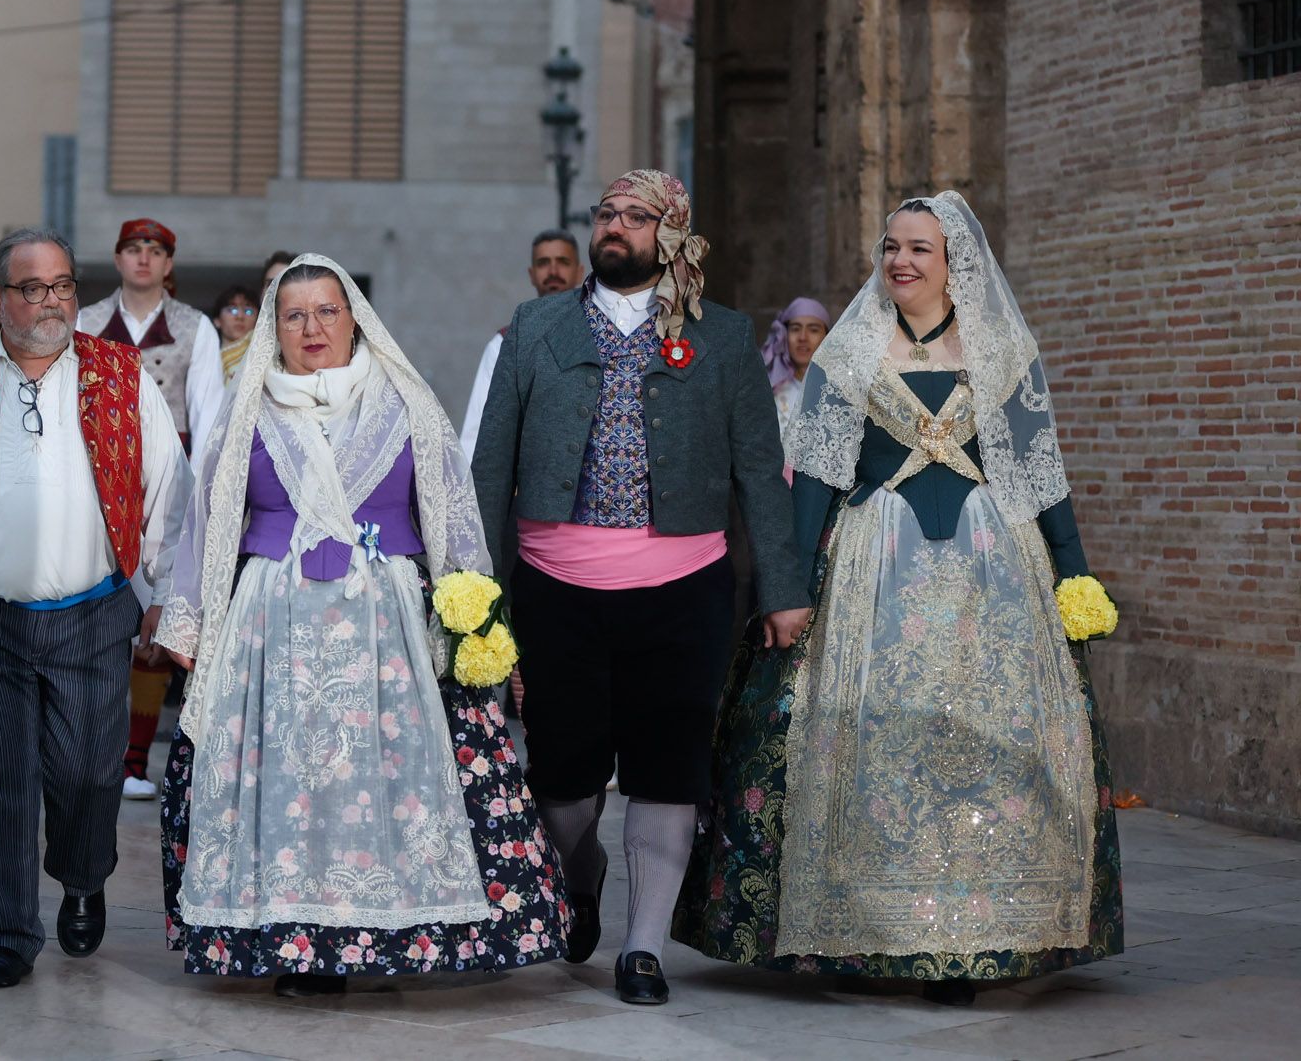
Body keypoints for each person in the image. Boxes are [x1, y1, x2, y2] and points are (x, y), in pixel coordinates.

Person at [674, 192, 1123, 1006]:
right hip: (873, 563)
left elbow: (1040, 477)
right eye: (890, 247)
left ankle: (974, 938)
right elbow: (813, 479)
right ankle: (873, 932)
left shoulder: (1002, 349)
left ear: (955, 261)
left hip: (993, 568)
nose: (901, 261)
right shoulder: (849, 352)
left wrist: (1075, 574)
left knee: (992, 741)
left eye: (919, 247)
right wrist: (789, 585)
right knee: (865, 741)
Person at [153, 255, 570, 995]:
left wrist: (475, 623)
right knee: (290, 783)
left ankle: (394, 932)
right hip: (271, 626)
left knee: (387, 779)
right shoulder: (248, 407)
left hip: (388, 629)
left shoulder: (405, 401)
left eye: (327, 311)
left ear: (355, 318)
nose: (311, 328)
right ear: (272, 328)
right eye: (293, 314)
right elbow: (209, 521)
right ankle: (297, 943)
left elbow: (451, 512)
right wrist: (187, 623)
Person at [470, 170, 809, 1007]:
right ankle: (578, 875)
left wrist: (783, 588)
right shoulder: (535, 327)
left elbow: (761, 474)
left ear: (674, 231)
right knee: (561, 780)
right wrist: (477, 589)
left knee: (669, 771)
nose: (614, 225)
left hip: (684, 589)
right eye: (606, 213)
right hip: (557, 587)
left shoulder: (723, 337)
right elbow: (489, 466)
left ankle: (644, 945)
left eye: (635, 215)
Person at [0, 228, 188, 989]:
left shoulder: (121, 374)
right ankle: (5, 933)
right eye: (32, 287)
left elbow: (168, 491)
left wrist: (164, 596)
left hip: (92, 612)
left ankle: (83, 874)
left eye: (61, 285)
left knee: (89, 773)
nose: (52, 300)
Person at [76, 218, 222, 800]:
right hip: (90, 482)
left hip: (168, 487)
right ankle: (87, 754)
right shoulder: (85, 322)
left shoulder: (195, 327)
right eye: (133, 248)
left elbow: (208, 416)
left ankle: (134, 762)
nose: (143, 259)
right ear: (117, 258)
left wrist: (207, 494)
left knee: (156, 610)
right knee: (87, 607)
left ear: (168, 263)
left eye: (154, 250)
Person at [460, 229, 581, 460]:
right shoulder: (505, 344)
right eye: (544, 263)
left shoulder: (601, 337)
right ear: (532, 274)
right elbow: (477, 435)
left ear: (580, 271)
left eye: (563, 262)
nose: (553, 272)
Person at [762, 296, 831, 456]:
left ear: (827, 337)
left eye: (813, 330)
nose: (803, 338)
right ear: (784, 334)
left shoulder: (839, 391)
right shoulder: (766, 389)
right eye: (795, 328)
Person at [210, 285, 258, 386]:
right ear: (217, 320)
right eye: (232, 310)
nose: (240, 316)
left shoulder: (263, 360)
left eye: (248, 311)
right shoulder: (204, 361)